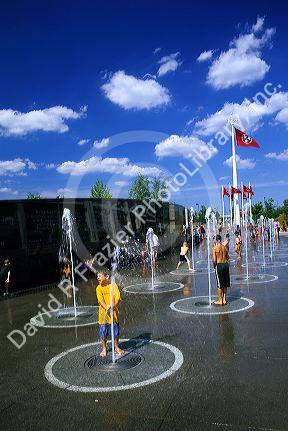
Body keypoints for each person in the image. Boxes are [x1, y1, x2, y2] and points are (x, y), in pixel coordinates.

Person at [96, 270, 124, 358]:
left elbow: (118, 297)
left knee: (115, 333)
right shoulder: (98, 288)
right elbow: (100, 300)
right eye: (97, 276)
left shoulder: (113, 285)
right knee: (103, 333)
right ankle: (104, 349)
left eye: (100, 276)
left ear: (107, 277)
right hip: (103, 316)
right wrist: (106, 307)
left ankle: (116, 347)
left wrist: (114, 305)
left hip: (113, 315)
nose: (98, 278)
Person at [212, 235, 230, 306]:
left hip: (219, 265)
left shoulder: (215, 248)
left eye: (214, 240)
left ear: (217, 240)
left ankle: (220, 300)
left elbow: (214, 260)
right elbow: (228, 257)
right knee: (225, 283)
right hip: (225, 265)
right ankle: (224, 299)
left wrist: (214, 267)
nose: (214, 241)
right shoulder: (224, 247)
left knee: (219, 284)